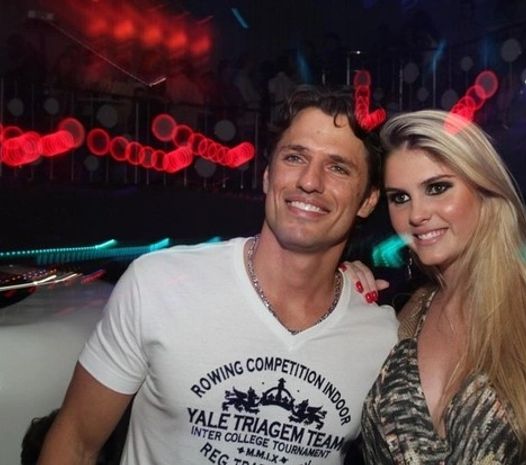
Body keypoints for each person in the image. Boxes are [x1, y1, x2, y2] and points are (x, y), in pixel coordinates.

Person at [37, 85, 398, 465]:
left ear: (368, 200)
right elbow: (75, 442)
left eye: (338, 167)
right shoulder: (158, 284)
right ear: (267, 175)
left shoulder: (381, 339)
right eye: (295, 157)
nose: (310, 181)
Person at [356, 110, 526, 465]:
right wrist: (341, 289)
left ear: (484, 189)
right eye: (400, 197)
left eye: (437, 188)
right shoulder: (411, 315)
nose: (417, 214)